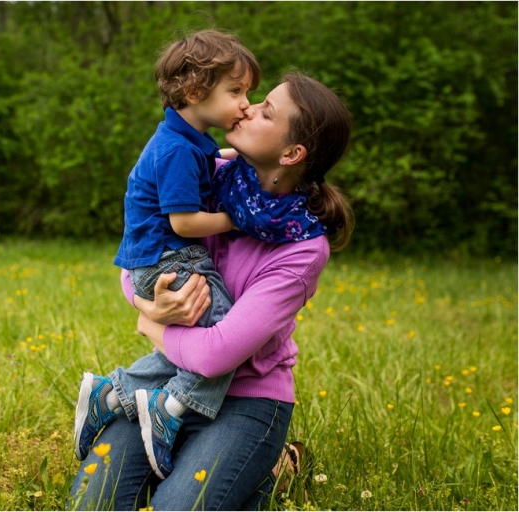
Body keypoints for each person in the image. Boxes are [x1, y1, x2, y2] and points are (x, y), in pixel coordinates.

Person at [69, 71, 354, 511]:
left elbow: (216, 354)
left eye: (265, 111)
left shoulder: (303, 246)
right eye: (252, 99)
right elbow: (136, 255)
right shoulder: (205, 173)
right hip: (165, 384)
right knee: (92, 505)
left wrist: (151, 323)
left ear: (293, 152)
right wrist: (150, 301)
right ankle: (228, 466)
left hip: (248, 401)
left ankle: (268, 466)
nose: (247, 107)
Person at [73, 29, 263, 478]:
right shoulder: (177, 149)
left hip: (157, 258)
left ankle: (113, 395)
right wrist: (236, 219)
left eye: (249, 94)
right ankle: (168, 405)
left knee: (201, 337)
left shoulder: (187, 141)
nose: (245, 104)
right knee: (221, 332)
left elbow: (204, 163)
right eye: (235, 91)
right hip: (171, 257)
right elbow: (184, 222)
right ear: (196, 91)